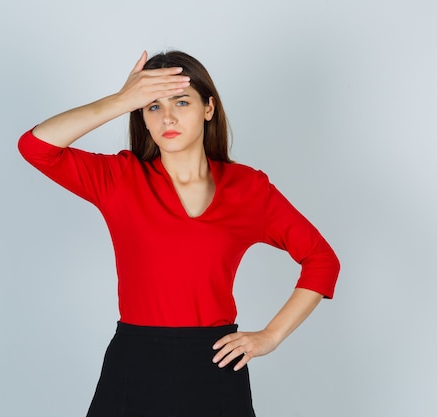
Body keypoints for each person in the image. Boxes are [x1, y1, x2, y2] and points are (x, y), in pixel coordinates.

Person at [18, 50, 340, 417]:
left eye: (181, 102)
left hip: (216, 366)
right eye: (153, 106)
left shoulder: (248, 188)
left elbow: (321, 260)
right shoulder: (121, 179)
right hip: (134, 366)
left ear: (208, 108)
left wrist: (271, 336)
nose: (167, 116)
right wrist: (122, 99)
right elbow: (37, 147)